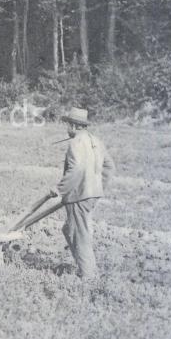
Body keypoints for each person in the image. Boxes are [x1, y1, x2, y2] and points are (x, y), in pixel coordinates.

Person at [49, 107, 115, 279]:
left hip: (79, 196)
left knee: (79, 235)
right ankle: (85, 268)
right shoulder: (96, 141)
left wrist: (59, 189)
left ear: (74, 126)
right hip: (91, 195)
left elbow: (76, 169)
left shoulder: (75, 143)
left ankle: (88, 277)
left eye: (67, 125)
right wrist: (97, 187)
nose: (66, 128)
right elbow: (109, 166)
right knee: (69, 230)